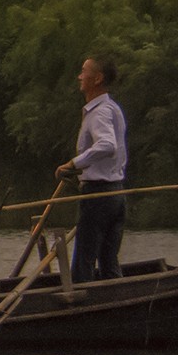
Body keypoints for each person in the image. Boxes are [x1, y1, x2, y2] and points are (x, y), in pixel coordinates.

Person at [57, 54, 129, 283]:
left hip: (98, 194)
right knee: (108, 259)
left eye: (84, 71)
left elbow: (108, 145)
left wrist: (73, 164)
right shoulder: (111, 108)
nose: (80, 76)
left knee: (84, 258)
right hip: (116, 194)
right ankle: (116, 299)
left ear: (97, 78)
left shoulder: (100, 112)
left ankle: (79, 303)